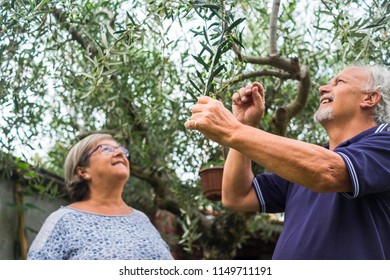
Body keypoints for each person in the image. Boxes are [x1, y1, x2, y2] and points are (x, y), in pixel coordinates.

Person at [184, 64, 390, 259]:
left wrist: (232, 131)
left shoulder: (384, 144)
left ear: (370, 98)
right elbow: (237, 196)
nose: (322, 88)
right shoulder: (305, 164)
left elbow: (329, 171)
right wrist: (244, 124)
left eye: (339, 82)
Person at [28, 134, 174, 260]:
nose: (119, 154)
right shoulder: (64, 220)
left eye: (122, 150)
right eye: (106, 149)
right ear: (83, 171)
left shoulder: (141, 219)